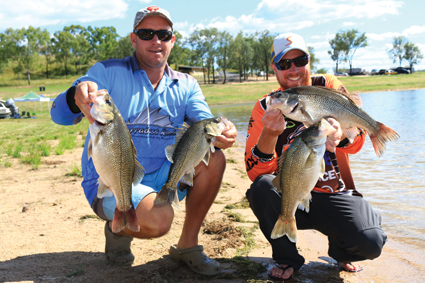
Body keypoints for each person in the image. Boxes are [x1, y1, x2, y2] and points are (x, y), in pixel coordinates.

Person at [50, 6, 237, 276]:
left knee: (215, 158)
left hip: (163, 174)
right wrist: (75, 95)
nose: (156, 40)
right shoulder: (107, 71)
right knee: (160, 221)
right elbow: (59, 115)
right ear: (134, 38)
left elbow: (203, 124)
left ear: (173, 40)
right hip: (112, 179)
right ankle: (118, 224)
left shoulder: (186, 84)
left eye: (163, 34)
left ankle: (188, 245)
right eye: (147, 33)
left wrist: (223, 133)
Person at [244, 32, 387, 281]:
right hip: (292, 194)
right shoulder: (266, 106)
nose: (293, 69)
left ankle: (340, 250)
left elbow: (356, 144)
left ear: (309, 60)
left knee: (371, 242)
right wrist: (268, 135)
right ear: (274, 68)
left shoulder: (328, 85)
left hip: (334, 195)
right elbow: (255, 173)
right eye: (284, 63)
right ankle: (287, 258)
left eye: (300, 60)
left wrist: (342, 135)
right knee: (260, 189)